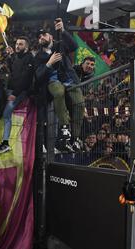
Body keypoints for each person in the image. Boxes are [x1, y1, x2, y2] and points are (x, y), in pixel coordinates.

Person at [35, 18, 84, 152]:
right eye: (39, 37)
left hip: (69, 79)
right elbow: (38, 76)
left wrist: (62, 30)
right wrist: (48, 64)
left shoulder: (60, 44)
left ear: (50, 36)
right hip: (53, 81)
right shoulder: (38, 56)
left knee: (80, 103)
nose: (41, 38)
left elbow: (74, 46)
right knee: (58, 92)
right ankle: (64, 128)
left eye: (44, 35)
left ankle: (75, 138)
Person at [0, 36, 35, 153]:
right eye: (17, 44)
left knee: (6, 114)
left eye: (21, 44)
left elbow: (26, 79)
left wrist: (15, 94)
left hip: (20, 92)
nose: (17, 46)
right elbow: (12, 69)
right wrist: (9, 56)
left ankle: (5, 143)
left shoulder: (30, 58)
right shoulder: (15, 57)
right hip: (9, 89)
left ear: (26, 47)